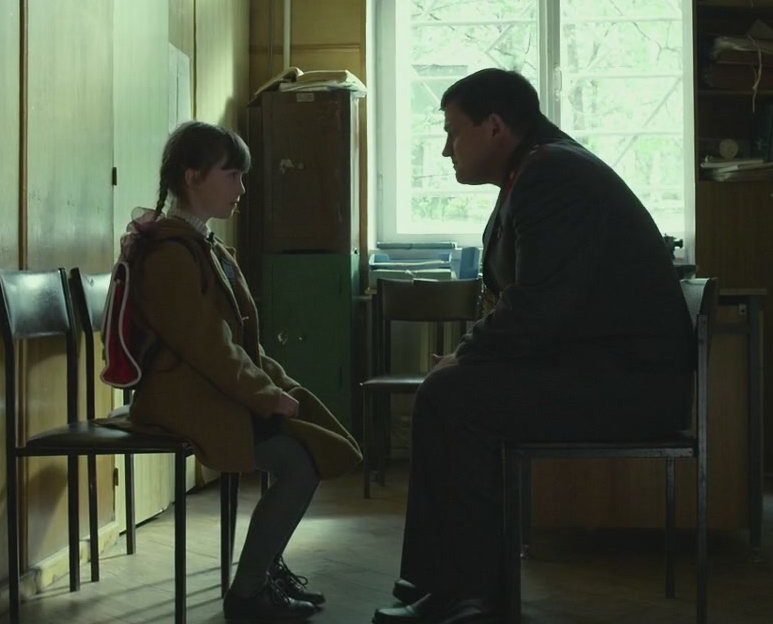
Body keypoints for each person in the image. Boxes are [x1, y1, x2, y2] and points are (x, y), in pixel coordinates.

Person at [373, 69, 694, 624]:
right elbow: (539, 307)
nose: (446, 149)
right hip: (612, 374)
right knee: (452, 393)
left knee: (450, 398)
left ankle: (464, 596)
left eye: (452, 132)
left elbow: (538, 308)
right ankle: (450, 589)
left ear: (495, 127)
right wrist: (466, 359)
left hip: (630, 387)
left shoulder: (551, 175)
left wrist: (463, 356)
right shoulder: (539, 170)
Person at [112, 121, 362, 622]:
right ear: (193, 177)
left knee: (309, 442)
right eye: (232, 176)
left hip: (209, 390)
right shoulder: (170, 254)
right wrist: (264, 396)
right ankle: (249, 592)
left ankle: (263, 573)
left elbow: (244, 344)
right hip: (180, 399)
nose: (241, 189)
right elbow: (208, 348)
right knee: (297, 463)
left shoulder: (203, 246)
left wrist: (281, 385)